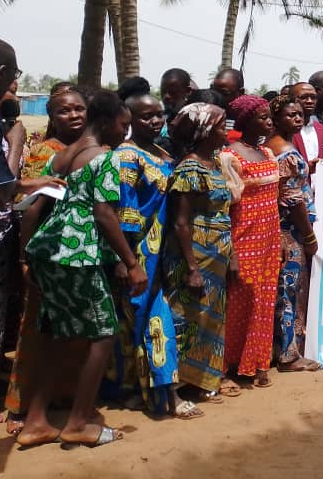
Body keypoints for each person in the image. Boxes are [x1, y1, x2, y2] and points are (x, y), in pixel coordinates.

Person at [17, 90, 142, 448]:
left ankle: (36, 422)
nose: (126, 134)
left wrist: (25, 256)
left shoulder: (62, 157)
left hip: (48, 252)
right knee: (102, 336)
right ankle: (78, 423)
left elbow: (36, 203)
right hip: (78, 255)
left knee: (56, 334)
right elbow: (105, 215)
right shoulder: (104, 158)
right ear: (106, 123)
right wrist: (131, 263)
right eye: (124, 126)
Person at [106, 94, 196, 418]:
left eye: (159, 115)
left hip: (160, 253)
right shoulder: (127, 156)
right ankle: (145, 393)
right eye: (146, 116)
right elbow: (122, 211)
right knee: (138, 324)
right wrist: (125, 261)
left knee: (155, 322)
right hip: (136, 254)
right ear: (130, 119)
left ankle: (160, 392)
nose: (155, 121)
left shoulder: (161, 154)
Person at [2, 87, 85, 433]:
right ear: (52, 117)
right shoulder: (45, 152)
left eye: (80, 109)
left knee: (71, 329)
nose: (75, 115)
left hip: (79, 254)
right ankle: (21, 406)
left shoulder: (89, 151)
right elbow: (33, 208)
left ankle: (61, 396)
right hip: (47, 253)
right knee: (36, 329)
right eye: (65, 111)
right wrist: (26, 257)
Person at [165, 103, 240, 404]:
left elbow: (223, 214)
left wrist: (231, 255)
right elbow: (181, 222)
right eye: (221, 126)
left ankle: (200, 381)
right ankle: (173, 389)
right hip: (194, 255)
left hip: (218, 253)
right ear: (204, 131)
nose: (225, 131)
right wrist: (192, 268)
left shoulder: (214, 164)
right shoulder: (190, 168)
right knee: (184, 317)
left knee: (210, 319)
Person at [220, 95, 282, 390]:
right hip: (243, 236)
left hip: (269, 237)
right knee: (239, 299)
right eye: (263, 117)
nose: (269, 122)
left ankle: (256, 361)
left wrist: (279, 238)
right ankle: (230, 364)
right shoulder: (230, 156)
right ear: (245, 120)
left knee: (264, 299)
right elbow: (227, 205)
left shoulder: (267, 153)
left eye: (270, 117)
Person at [265, 95, 322, 373]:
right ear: (276, 119)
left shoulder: (271, 148)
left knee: (281, 292)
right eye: (290, 115)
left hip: (280, 229)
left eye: (300, 114)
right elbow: (293, 199)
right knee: (288, 291)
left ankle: (279, 350)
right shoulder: (285, 152)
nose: (298, 119)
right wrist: (309, 236)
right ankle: (289, 355)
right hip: (289, 231)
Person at [290, 82, 323, 177]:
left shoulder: (322, 130)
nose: (310, 101)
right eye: (304, 97)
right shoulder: (284, 131)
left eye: (313, 97)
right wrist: (306, 168)